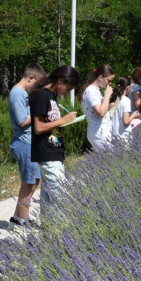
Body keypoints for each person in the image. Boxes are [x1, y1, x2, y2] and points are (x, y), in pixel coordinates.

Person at [30, 66, 81, 207]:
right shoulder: (42, 95)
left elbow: (50, 123)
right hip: (47, 152)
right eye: (68, 88)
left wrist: (62, 123)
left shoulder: (51, 96)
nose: (67, 92)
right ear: (60, 80)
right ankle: (61, 228)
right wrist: (63, 120)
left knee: (48, 200)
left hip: (54, 150)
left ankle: (48, 228)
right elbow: (38, 127)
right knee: (60, 200)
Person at [7, 63, 46, 228]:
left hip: (30, 142)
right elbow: (23, 121)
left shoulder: (22, 93)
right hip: (24, 142)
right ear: (31, 78)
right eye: (37, 84)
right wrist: (39, 110)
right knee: (28, 183)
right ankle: (23, 222)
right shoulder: (17, 93)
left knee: (34, 181)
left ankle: (18, 217)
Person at [79, 64, 116, 151]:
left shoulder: (95, 90)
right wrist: (107, 96)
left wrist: (109, 106)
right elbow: (100, 113)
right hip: (99, 130)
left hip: (101, 128)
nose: (109, 84)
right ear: (100, 77)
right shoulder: (91, 91)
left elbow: (100, 110)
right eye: (108, 80)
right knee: (109, 159)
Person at [111, 77, 138, 141]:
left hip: (112, 133)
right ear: (128, 87)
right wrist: (133, 116)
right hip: (123, 135)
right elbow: (125, 122)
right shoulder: (126, 100)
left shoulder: (112, 98)